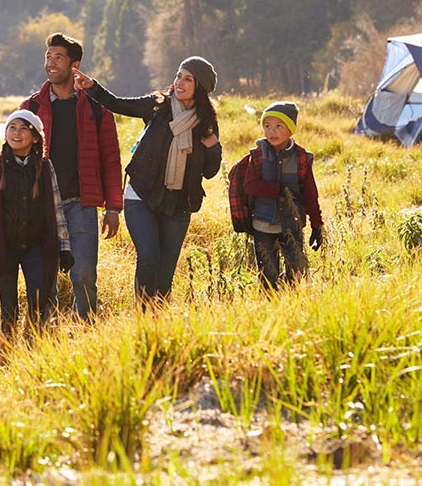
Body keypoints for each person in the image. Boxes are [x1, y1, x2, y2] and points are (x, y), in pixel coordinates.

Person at [73, 56, 221, 303]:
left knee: (165, 274)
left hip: (178, 204)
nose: (180, 83)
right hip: (141, 195)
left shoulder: (206, 123)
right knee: (149, 256)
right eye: (178, 76)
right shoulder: (157, 105)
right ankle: (143, 316)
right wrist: (92, 87)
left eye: (188, 79)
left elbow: (210, 172)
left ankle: (157, 319)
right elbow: (118, 104)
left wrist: (213, 147)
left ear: (201, 87)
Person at [21, 32, 124, 320]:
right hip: (42, 205)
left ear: (74, 65)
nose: (51, 63)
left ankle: (86, 328)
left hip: (81, 204)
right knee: (44, 277)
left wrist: (113, 208)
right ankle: (44, 332)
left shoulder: (96, 109)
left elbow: (111, 161)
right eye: (48, 57)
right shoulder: (31, 108)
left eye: (58, 58)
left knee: (84, 273)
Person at [0, 110, 73, 335]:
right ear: (5, 133)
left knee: (39, 301)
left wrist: (64, 247)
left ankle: (34, 340)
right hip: (5, 247)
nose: (16, 133)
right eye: (12, 128)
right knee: (8, 307)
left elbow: (56, 209)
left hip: (37, 246)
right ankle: (8, 344)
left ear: (35, 138)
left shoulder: (45, 168)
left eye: (24, 128)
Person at [238, 101, 325, 290]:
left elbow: (310, 194)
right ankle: (270, 303)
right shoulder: (258, 155)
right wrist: (277, 190)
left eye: (279, 126)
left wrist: (316, 225)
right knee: (268, 277)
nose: (272, 131)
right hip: (263, 226)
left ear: (291, 129)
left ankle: (290, 301)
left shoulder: (301, 157)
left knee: (295, 272)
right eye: (267, 126)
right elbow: (249, 186)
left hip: (292, 225)